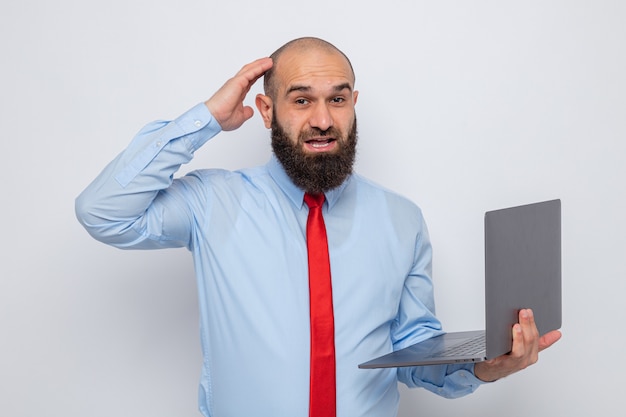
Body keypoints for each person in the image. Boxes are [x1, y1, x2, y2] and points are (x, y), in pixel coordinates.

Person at [75, 37, 561, 417]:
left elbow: (414, 355)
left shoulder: (401, 219)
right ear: (267, 111)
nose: (323, 119)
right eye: (301, 100)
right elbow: (103, 211)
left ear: (354, 104)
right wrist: (205, 119)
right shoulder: (211, 201)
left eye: (338, 99)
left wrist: (483, 367)